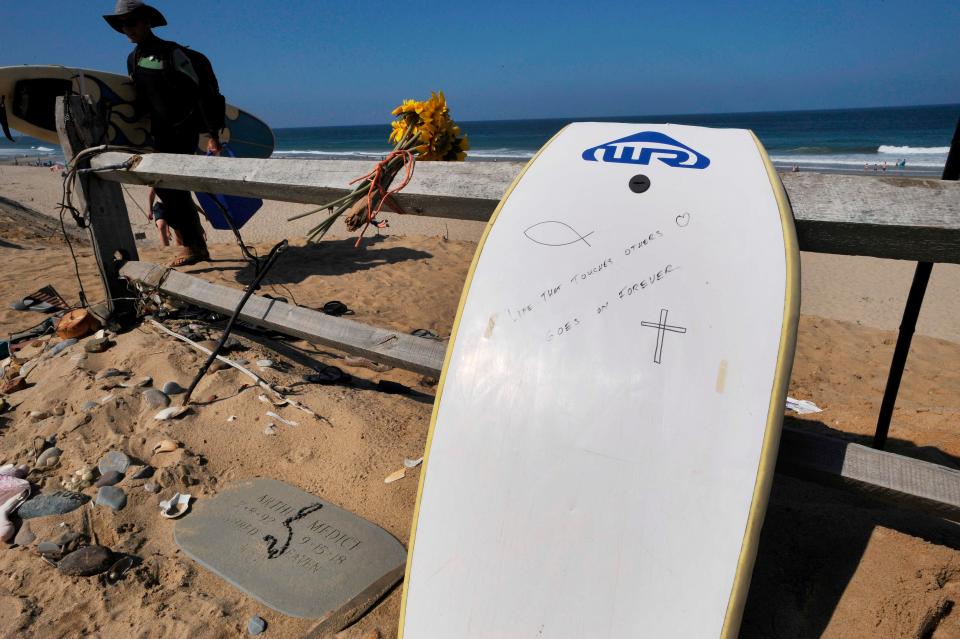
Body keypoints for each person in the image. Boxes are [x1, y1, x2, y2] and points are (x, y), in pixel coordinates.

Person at [103, 0, 224, 266]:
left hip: (184, 128)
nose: (128, 29)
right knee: (167, 189)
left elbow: (202, 94)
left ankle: (193, 246)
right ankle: (194, 244)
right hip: (158, 133)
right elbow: (143, 100)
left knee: (172, 188)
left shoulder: (172, 54)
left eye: (132, 22)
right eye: (123, 25)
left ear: (147, 21)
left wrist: (213, 134)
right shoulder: (132, 59)